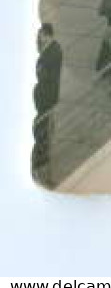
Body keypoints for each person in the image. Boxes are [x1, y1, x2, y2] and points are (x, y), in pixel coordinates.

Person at [33, 24, 62, 178]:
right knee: (44, 125)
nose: (39, 38)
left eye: (41, 35)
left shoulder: (52, 52)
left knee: (43, 127)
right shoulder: (53, 48)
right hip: (47, 95)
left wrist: (38, 69)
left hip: (47, 96)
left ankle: (43, 158)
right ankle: (43, 156)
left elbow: (44, 75)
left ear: (47, 34)